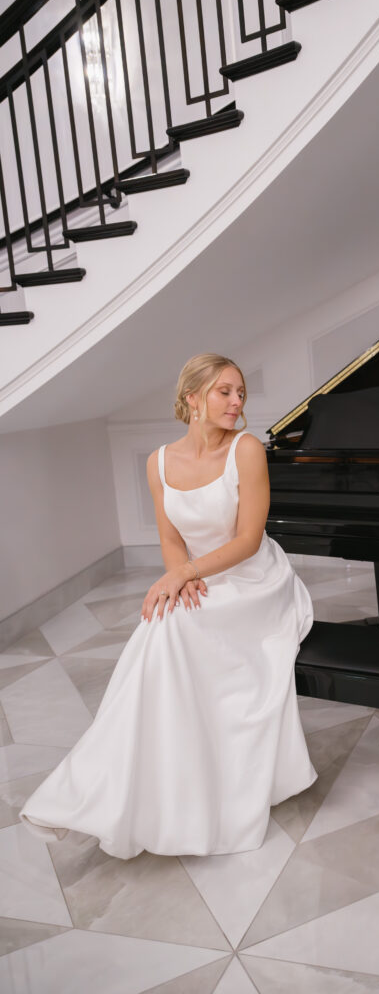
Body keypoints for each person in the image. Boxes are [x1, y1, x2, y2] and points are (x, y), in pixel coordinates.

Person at [20, 353, 317, 858]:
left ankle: (118, 788)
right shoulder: (158, 462)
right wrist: (180, 574)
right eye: (224, 391)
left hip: (253, 580)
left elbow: (249, 540)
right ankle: (126, 787)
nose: (236, 401)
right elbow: (170, 538)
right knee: (162, 628)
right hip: (203, 578)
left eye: (240, 392)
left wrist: (183, 575)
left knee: (168, 632)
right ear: (191, 398)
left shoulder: (246, 450)